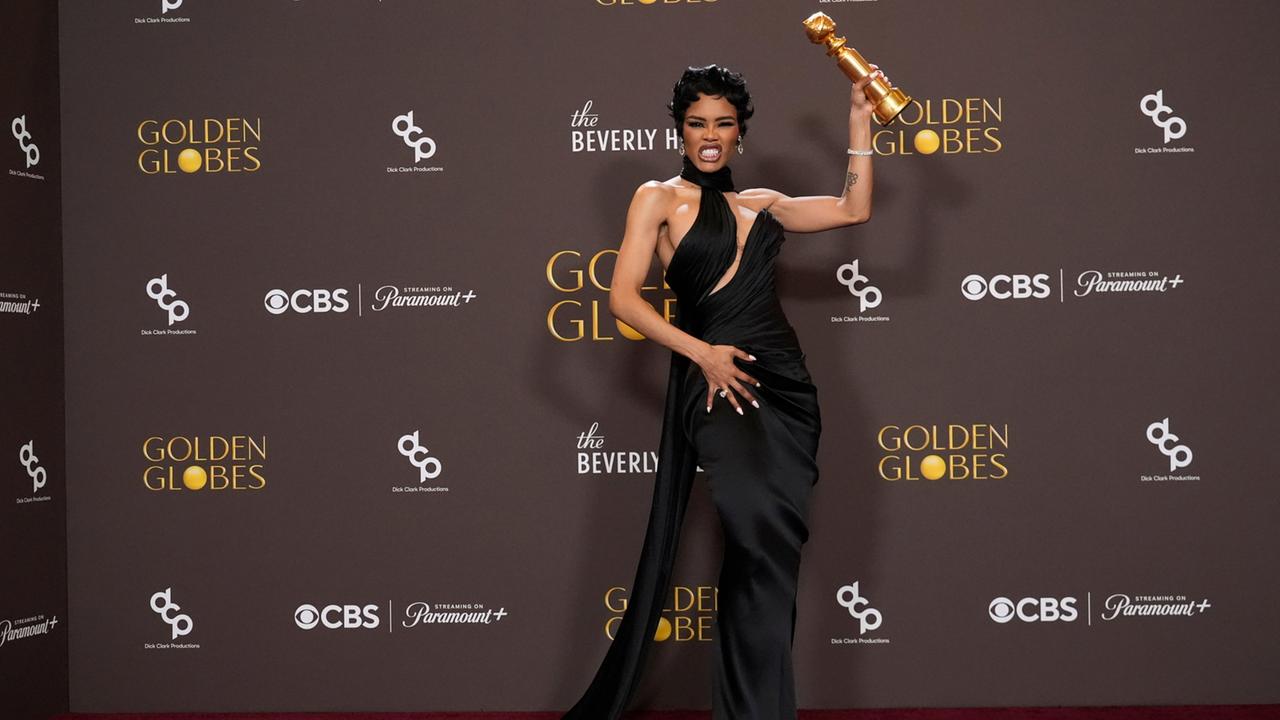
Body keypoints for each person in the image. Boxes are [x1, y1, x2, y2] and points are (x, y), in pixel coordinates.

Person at [563, 62, 882, 720]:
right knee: (753, 531)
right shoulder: (657, 197)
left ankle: (756, 710)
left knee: (772, 549)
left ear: (741, 133)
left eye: (723, 124)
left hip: (785, 387)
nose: (710, 136)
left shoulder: (761, 204)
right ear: (680, 130)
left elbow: (854, 208)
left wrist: (859, 118)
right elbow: (623, 300)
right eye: (697, 123)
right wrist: (701, 352)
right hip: (714, 383)